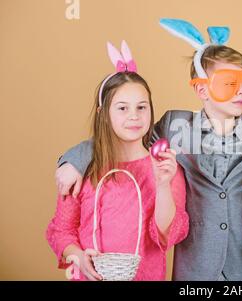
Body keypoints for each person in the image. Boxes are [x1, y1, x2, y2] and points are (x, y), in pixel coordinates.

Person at [46, 40, 188, 281]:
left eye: (142, 107)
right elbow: (62, 231)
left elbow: (166, 236)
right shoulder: (83, 169)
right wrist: (78, 256)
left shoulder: (165, 167)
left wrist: (163, 185)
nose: (134, 116)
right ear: (103, 113)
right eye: (122, 108)